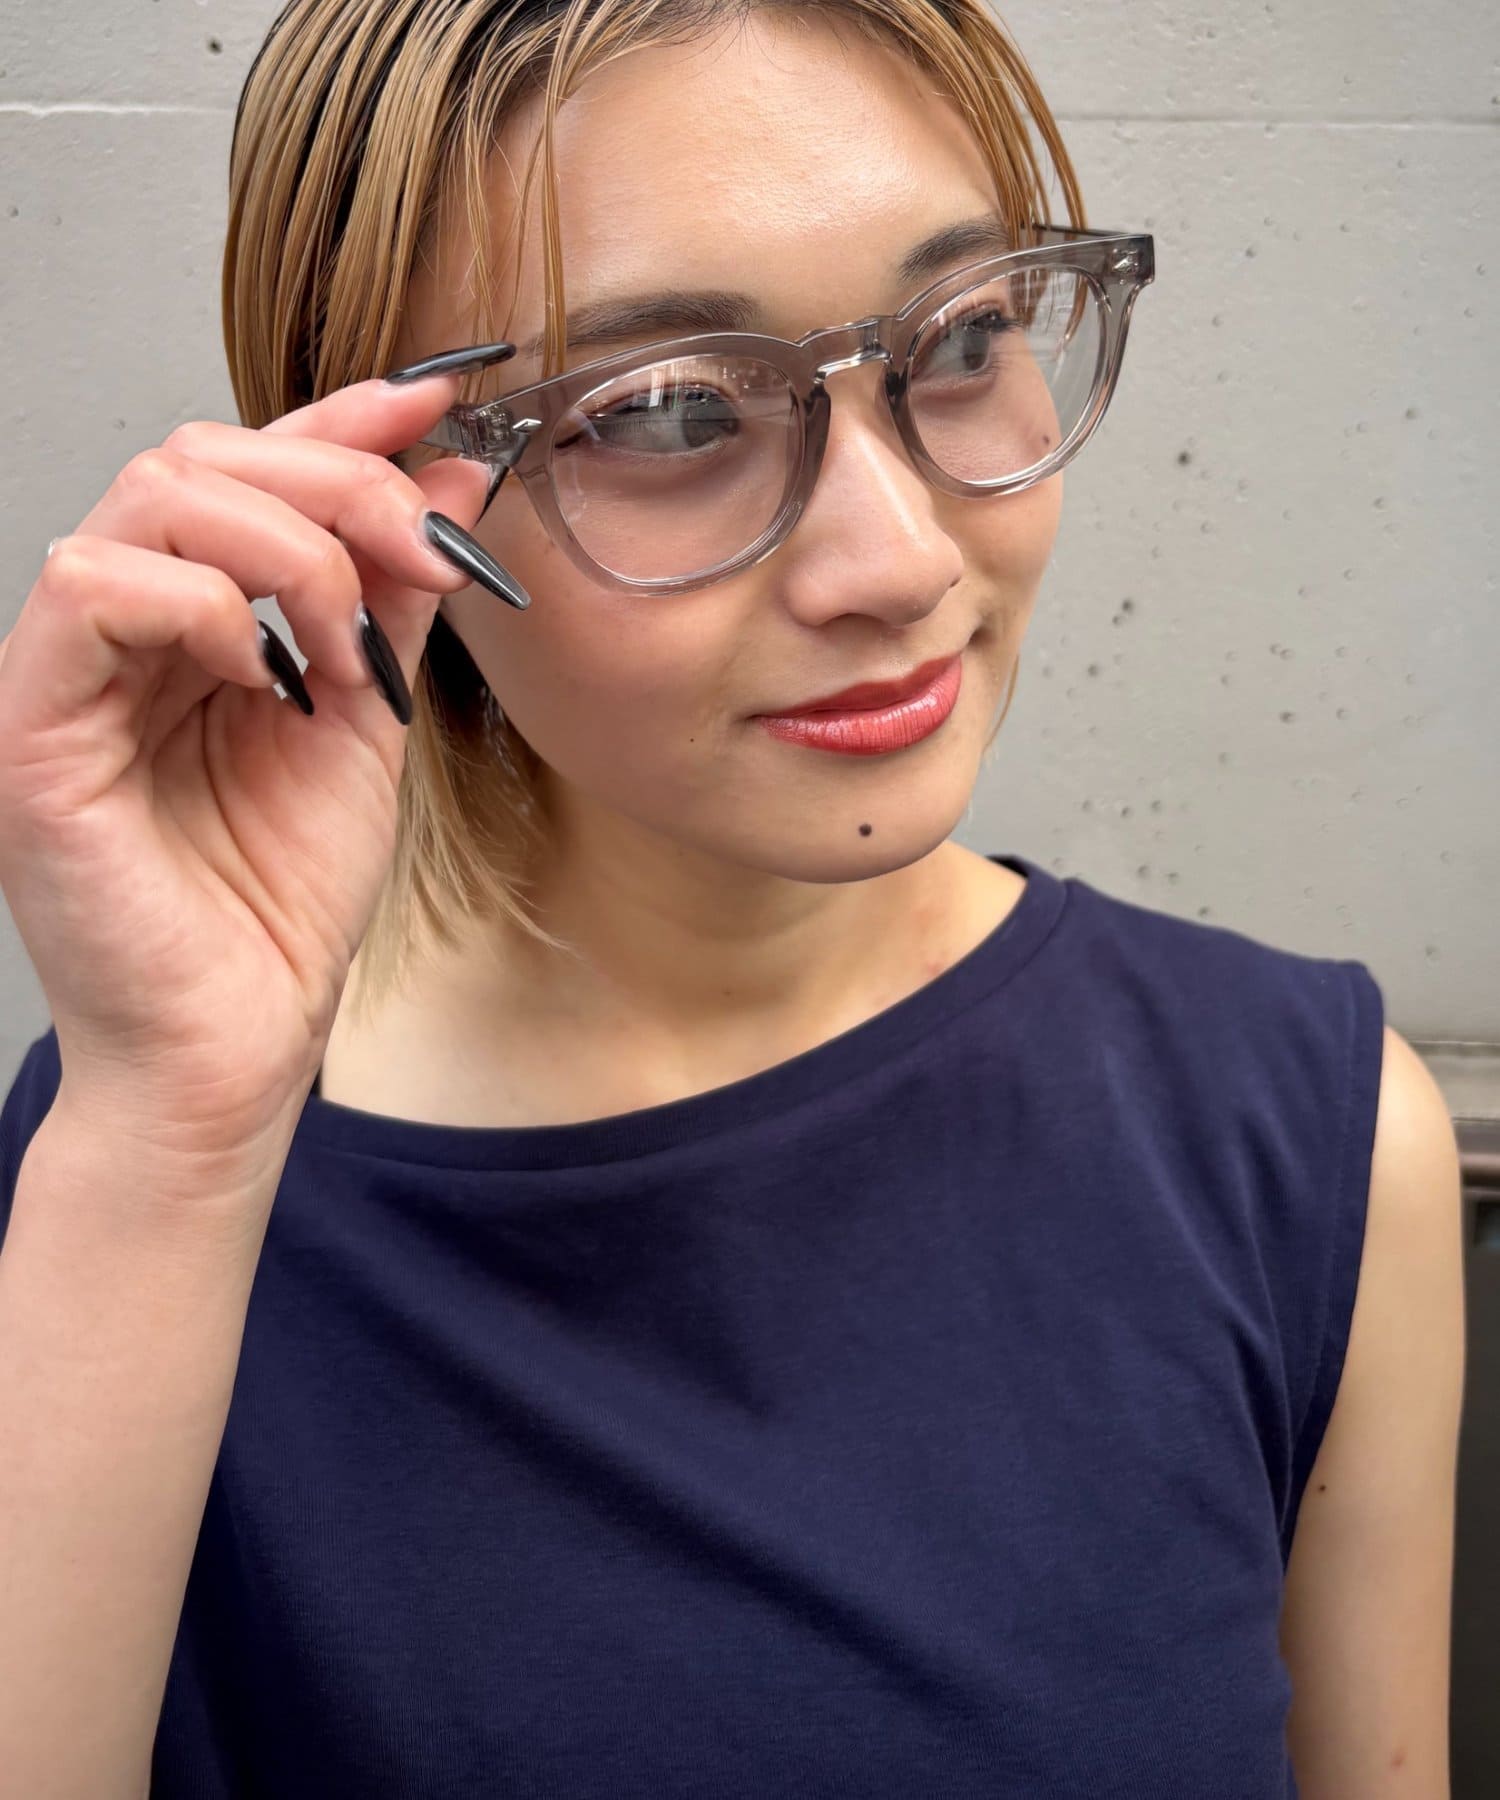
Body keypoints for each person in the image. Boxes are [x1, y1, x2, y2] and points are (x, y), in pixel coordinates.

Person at [0, 0, 1466, 1793]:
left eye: (967, 333)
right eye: (669, 410)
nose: (898, 561)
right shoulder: (151, 1155)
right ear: (364, 492)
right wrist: (168, 1138)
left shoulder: (1305, 1136)